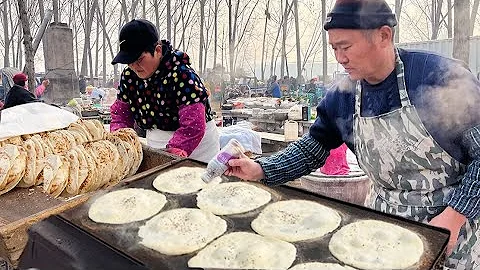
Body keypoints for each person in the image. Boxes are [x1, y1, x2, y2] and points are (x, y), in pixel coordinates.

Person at [226, 0, 480, 268]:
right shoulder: (343, 96)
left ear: (384, 35)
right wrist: (261, 169)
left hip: (452, 227)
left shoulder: (436, 77)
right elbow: (311, 149)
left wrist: (455, 216)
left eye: (346, 47)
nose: (340, 58)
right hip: (382, 230)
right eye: (334, 48)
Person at [110, 19, 219, 162]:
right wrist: (120, 139)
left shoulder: (181, 74)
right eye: (129, 61)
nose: (134, 66)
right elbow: (121, 114)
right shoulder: (129, 76)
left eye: (140, 59)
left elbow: (193, 124)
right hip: (155, 142)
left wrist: (174, 151)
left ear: (158, 50)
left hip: (197, 147)